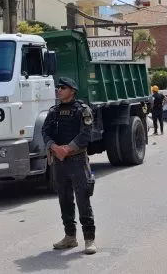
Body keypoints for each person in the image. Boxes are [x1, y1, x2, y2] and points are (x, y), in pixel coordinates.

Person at [42, 77, 97, 255]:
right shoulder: (54, 111)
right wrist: (53, 146)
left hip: (77, 161)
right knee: (64, 200)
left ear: (72, 90)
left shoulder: (83, 110)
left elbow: (85, 134)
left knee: (83, 200)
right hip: (59, 162)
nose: (59, 90)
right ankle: (70, 237)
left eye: (63, 87)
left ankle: (89, 239)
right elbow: (45, 131)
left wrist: (68, 148)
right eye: (58, 87)